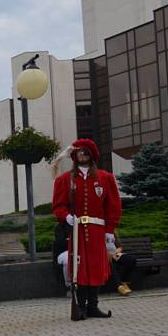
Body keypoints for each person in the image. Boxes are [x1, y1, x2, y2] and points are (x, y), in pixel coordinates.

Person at [52, 138, 122, 321]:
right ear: (74, 155)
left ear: (92, 155)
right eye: (79, 151)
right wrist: (66, 216)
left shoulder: (105, 178)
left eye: (86, 151)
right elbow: (58, 204)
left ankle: (93, 306)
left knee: (96, 268)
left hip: (98, 230)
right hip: (77, 231)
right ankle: (80, 306)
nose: (82, 154)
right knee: (79, 269)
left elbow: (113, 206)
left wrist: (109, 231)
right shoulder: (65, 179)